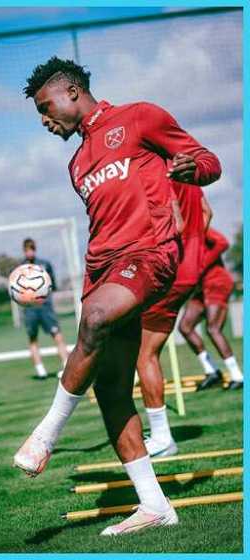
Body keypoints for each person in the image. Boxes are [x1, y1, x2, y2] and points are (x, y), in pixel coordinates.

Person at [14, 56, 220, 536]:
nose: (45, 120)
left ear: (71, 92)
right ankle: (154, 505)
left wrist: (194, 170)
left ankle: (47, 434)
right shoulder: (76, 163)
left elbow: (210, 161)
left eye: (46, 108)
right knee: (110, 391)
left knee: (94, 319)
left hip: (150, 254)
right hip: (102, 268)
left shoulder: (140, 116)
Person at [135, 182, 211, 457]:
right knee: (147, 351)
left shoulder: (159, 174)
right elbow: (206, 213)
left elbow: (175, 222)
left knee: (144, 355)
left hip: (173, 269)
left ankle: (162, 437)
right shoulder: (188, 176)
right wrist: (195, 247)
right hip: (192, 269)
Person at [179, 228, 244, 391]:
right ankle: (212, 371)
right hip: (201, 288)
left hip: (217, 283)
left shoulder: (198, 227)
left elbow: (223, 242)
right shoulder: (176, 236)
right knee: (185, 327)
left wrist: (200, 266)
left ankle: (237, 376)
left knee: (213, 329)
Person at [20, 238, 70, 379]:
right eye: (27, 249)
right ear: (24, 251)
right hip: (30, 310)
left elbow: (52, 285)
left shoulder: (45, 264)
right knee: (33, 339)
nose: (30, 252)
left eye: (32, 249)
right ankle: (40, 370)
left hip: (45, 308)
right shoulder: (21, 268)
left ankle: (66, 366)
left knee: (57, 335)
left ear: (35, 249)